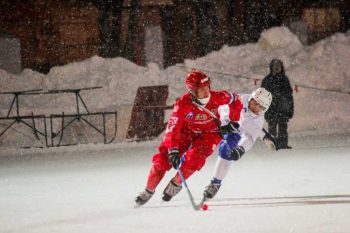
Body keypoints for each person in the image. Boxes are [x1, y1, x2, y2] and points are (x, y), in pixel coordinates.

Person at [135, 70, 243, 207]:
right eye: (202, 89)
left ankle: (177, 182)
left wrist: (233, 121)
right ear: (192, 90)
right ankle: (148, 190)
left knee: (195, 159)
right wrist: (173, 149)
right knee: (163, 160)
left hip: (210, 132)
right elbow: (173, 128)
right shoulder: (182, 104)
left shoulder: (218, 97)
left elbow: (236, 100)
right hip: (186, 131)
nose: (206, 92)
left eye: (207, 87)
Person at [203, 88, 277, 200]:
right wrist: (263, 135)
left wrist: (241, 149)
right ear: (252, 100)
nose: (258, 109)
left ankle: (215, 183)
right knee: (200, 148)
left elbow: (250, 136)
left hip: (233, 130)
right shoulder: (240, 100)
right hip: (217, 123)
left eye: (262, 108)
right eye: (257, 104)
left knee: (226, 151)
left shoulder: (259, 117)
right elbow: (243, 121)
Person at [261, 59, 294, 149]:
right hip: (271, 108)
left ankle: (283, 144)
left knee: (283, 127)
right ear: (271, 67)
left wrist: (290, 109)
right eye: (275, 66)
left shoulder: (284, 79)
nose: (277, 68)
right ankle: (273, 145)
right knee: (272, 128)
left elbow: (289, 96)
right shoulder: (267, 80)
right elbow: (262, 94)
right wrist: (263, 108)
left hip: (283, 108)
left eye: (278, 66)